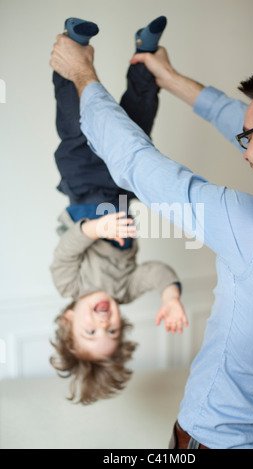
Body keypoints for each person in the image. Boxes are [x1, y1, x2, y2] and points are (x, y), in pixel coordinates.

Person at [49, 37, 253, 448]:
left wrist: (81, 74)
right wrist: (173, 79)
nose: (245, 153)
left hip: (221, 441)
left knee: (76, 130)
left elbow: (137, 163)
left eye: (247, 139)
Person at [49, 19, 187, 406]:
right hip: (124, 186)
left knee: (73, 120)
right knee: (137, 122)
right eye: (110, 332)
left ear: (68, 320)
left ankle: (74, 47)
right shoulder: (125, 291)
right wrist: (170, 295)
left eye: (89, 332)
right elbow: (157, 271)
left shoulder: (69, 286)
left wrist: (95, 229)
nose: (102, 323)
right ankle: (145, 53)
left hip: (83, 180)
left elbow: (67, 250)